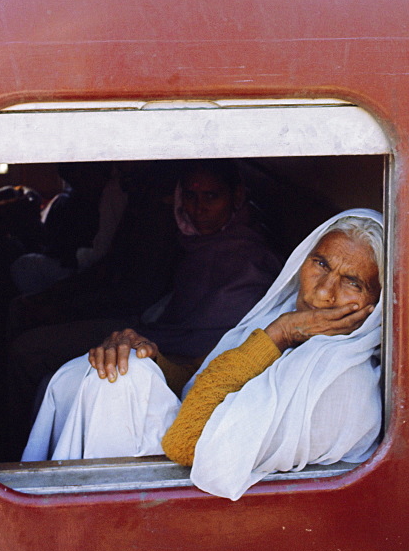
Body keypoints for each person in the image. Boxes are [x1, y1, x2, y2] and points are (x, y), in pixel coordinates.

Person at [22, 209, 384, 501]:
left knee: (121, 385)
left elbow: (186, 440)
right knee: (117, 370)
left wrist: (279, 335)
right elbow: (202, 378)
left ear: (375, 304)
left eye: (353, 282)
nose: (323, 293)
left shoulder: (339, 383)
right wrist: (147, 356)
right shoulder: (287, 322)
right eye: (320, 264)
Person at [12, 159, 281, 455]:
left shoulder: (248, 261)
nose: (198, 207)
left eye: (212, 196)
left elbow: (211, 347)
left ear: (237, 197)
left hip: (168, 349)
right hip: (150, 330)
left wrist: (150, 349)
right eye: (190, 196)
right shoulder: (192, 239)